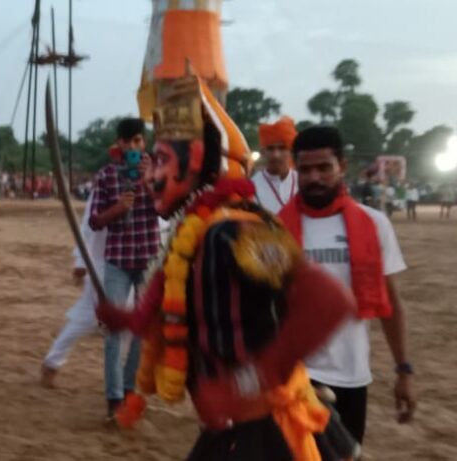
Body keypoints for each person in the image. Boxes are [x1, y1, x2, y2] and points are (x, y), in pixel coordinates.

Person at [98, 75, 359, 459]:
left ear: (198, 163)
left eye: (163, 161)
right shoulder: (197, 232)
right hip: (234, 426)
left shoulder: (235, 229)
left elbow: (331, 299)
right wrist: (129, 320)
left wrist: (252, 378)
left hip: (270, 428)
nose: (151, 176)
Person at [279, 126, 416, 445]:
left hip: (351, 376)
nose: (314, 177)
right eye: (305, 169)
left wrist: (404, 370)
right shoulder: (274, 228)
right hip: (291, 378)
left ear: (342, 166)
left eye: (323, 167)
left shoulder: (374, 224)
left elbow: (391, 304)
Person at [88, 117, 159, 419]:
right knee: (113, 328)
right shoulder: (106, 175)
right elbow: (94, 221)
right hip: (117, 259)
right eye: (127, 141)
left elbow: (167, 209)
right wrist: (118, 209)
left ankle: (129, 387)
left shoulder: (158, 170)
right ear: (118, 143)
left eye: (137, 141)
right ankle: (114, 397)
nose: (132, 147)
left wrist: (149, 182)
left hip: (148, 259)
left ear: (144, 142)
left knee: (144, 328)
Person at [40, 189, 107, 388]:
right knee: (89, 317)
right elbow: (86, 227)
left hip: (131, 266)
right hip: (100, 266)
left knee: (91, 318)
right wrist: (80, 262)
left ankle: (51, 363)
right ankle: (52, 363)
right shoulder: (103, 187)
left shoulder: (149, 184)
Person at [252, 116, 298, 214]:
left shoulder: (302, 182)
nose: (276, 155)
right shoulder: (253, 186)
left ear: (291, 151)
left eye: (282, 148)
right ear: (263, 152)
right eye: (270, 149)